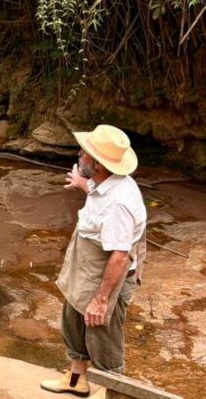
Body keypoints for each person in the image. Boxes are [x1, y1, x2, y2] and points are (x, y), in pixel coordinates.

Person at [41, 124, 147, 397]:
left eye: (85, 152)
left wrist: (102, 299)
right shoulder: (104, 183)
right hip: (89, 269)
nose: (79, 153)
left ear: (98, 164)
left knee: (102, 338)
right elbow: (102, 200)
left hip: (106, 276)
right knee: (74, 321)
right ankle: (76, 382)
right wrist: (83, 184)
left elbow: (120, 256)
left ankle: (113, 394)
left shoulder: (118, 205)